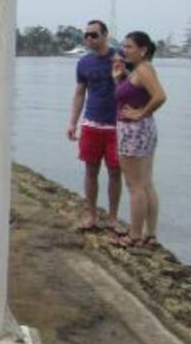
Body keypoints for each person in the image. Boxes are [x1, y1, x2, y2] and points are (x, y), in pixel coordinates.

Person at [112, 31, 167, 249]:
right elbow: (131, 95)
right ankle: (150, 234)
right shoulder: (140, 71)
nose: (124, 50)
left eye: (129, 47)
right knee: (145, 183)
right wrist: (120, 79)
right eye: (124, 46)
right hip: (142, 130)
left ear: (143, 50)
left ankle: (134, 235)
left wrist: (141, 113)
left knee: (135, 186)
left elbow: (160, 96)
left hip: (134, 130)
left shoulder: (144, 70)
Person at [67, 19, 122, 232]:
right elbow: (80, 92)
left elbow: (134, 84)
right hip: (91, 123)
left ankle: (113, 217)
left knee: (115, 172)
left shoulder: (120, 57)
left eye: (94, 35)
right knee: (91, 170)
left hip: (116, 126)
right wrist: (73, 122)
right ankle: (90, 214)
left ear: (105, 35)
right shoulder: (84, 63)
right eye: (86, 35)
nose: (89, 39)